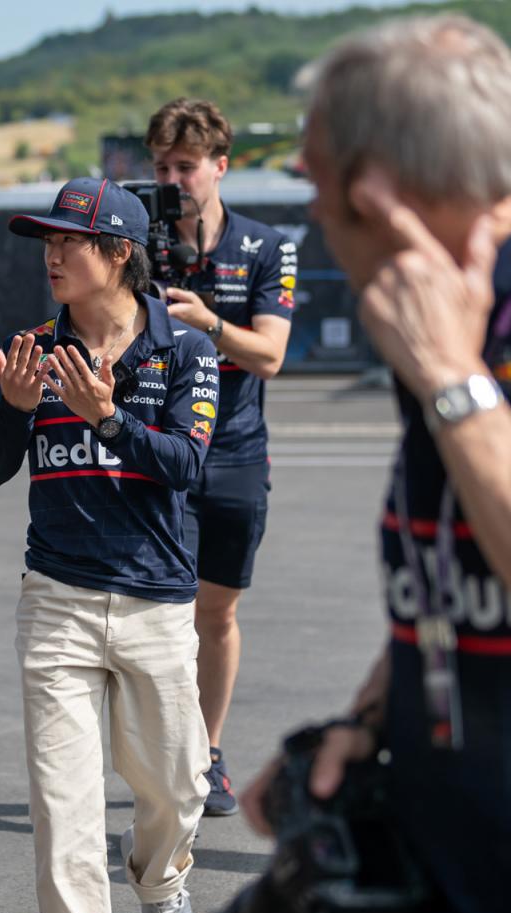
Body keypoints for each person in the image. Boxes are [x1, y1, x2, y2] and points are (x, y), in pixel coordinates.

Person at [243, 16, 511, 913]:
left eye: (316, 178)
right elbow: (470, 573)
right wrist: (368, 719)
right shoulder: (434, 308)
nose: (310, 209)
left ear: (376, 186)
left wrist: (453, 382)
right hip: (433, 909)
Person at [0, 177, 218, 913]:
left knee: (180, 785)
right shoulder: (33, 351)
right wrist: (16, 409)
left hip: (157, 598)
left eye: (67, 242)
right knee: (64, 794)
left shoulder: (185, 349)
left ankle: (161, 876)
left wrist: (110, 420)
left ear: (119, 253)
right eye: (46, 242)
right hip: (57, 597)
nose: (51, 256)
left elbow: (188, 465)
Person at [145, 99, 297, 816]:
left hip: (235, 451)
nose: (173, 180)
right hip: (159, 448)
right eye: (161, 167)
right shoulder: (134, 241)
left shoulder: (266, 246)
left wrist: (209, 324)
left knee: (216, 612)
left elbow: (270, 356)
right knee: (159, 612)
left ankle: (208, 749)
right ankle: (163, 754)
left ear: (220, 166)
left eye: (186, 166)